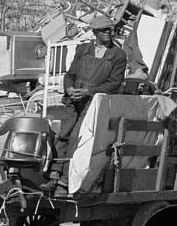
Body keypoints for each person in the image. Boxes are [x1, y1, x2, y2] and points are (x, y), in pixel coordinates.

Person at [42, 15, 127, 196]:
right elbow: (69, 74)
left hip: (94, 103)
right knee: (63, 134)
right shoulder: (83, 49)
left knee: (77, 137)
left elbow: (114, 84)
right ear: (95, 32)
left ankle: (64, 183)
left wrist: (88, 92)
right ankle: (54, 175)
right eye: (104, 30)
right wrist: (70, 88)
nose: (109, 33)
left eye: (110, 30)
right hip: (74, 100)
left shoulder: (118, 55)